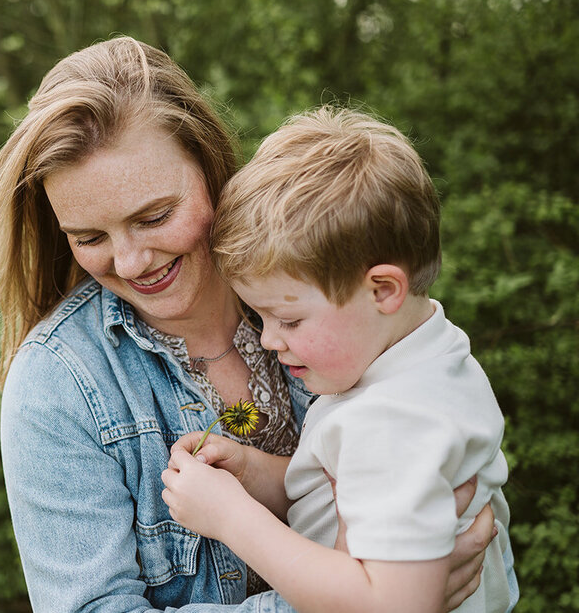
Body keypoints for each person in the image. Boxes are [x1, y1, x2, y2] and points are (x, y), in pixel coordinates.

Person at [0, 36, 498, 612]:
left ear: (211, 166)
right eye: (88, 238)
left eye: (155, 216)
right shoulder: (60, 381)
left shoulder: (323, 280)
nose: (129, 262)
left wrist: (378, 586)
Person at [161, 106, 517, 613]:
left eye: (289, 319)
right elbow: (344, 490)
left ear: (383, 289)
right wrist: (254, 472)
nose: (268, 340)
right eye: (259, 317)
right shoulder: (426, 360)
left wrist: (231, 517)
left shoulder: (395, 422)